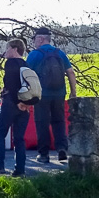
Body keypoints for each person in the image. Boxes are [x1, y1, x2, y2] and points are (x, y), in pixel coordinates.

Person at [25, 27, 78, 163]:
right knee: (59, 121)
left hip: (41, 95)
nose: (34, 42)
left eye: (35, 39)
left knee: (41, 123)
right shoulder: (60, 53)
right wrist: (73, 92)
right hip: (59, 93)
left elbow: (25, 74)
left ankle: (44, 154)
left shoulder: (34, 55)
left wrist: (25, 94)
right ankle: (62, 149)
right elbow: (71, 73)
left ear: (40, 39)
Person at [0, 39, 32, 177]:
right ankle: (20, 170)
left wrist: (17, 101)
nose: (5, 52)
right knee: (19, 138)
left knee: (0, 134)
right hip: (25, 106)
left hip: (11, 103)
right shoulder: (26, 65)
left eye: (7, 48)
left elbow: (11, 84)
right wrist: (26, 103)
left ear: (14, 49)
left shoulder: (10, 63)